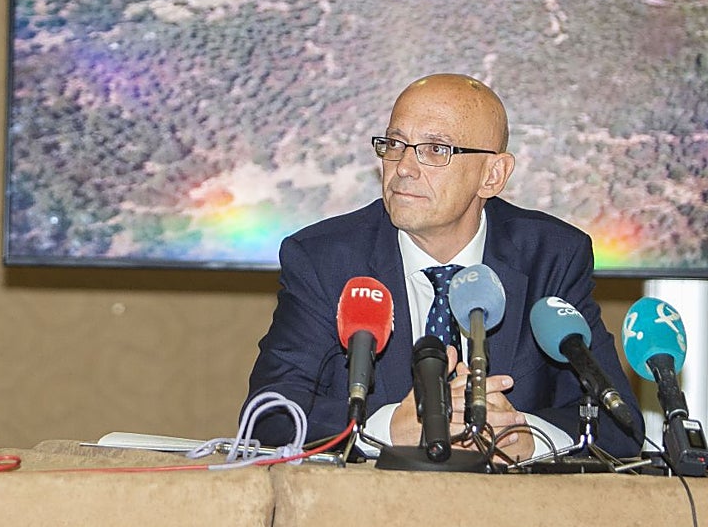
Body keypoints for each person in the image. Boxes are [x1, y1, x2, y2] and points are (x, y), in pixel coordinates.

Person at [244, 73, 642, 461]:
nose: (403, 167)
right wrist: (384, 429)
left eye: (436, 150)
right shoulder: (325, 259)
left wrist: (527, 437)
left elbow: (618, 424)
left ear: (493, 175)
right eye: (395, 144)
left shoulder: (551, 257)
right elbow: (269, 414)